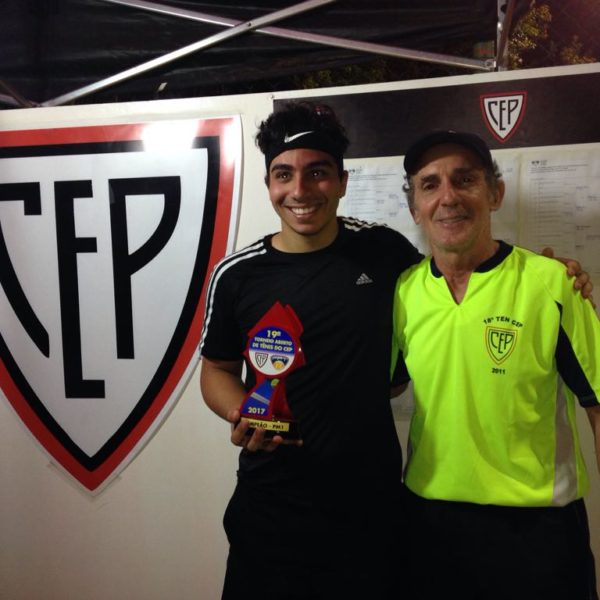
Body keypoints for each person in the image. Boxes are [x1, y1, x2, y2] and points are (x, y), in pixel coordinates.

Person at [199, 102, 593, 599]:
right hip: (272, 512)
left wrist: (550, 273)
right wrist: (241, 410)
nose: (300, 190)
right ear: (268, 184)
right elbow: (215, 369)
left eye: (317, 172)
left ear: (342, 182)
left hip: (373, 514)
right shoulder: (236, 275)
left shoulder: (385, 255)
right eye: (284, 174)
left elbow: (462, 264)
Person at [392, 130, 600, 600]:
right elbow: (382, 385)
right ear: (414, 208)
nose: (448, 198)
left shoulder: (553, 284)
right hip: (430, 526)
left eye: (465, 180)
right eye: (430, 185)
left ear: (495, 193)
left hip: (539, 533)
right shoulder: (402, 293)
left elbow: (597, 404)